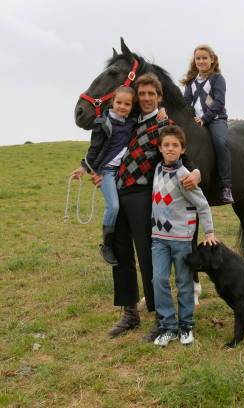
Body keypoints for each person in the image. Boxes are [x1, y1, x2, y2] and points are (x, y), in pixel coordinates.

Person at [96, 73, 202, 341]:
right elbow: (111, 148)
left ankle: (159, 316)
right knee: (121, 254)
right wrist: (98, 171)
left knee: (147, 257)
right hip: (120, 192)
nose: (145, 99)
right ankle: (129, 313)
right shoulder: (130, 122)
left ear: (159, 97)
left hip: (145, 196)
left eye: (150, 94)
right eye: (141, 94)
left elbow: (180, 152)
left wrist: (196, 172)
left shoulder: (164, 123)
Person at [150, 125, 218, 347]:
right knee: (159, 280)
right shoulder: (157, 169)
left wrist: (209, 232)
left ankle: (186, 325)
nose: (170, 149)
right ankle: (168, 326)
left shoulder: (184, 176)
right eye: (166, 145)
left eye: (175, 146)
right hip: (158, 238)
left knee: (184, 282)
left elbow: (203, 205)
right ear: (159, 148)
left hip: (181, 239)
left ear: (182, 149)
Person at [70, 86, 136, 265]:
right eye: (119, 102)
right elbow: (94, 148)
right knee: (113, 206)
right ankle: (106, 245)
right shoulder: (102, 123)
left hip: (123, 172)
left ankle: (121, 243)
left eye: (127, 104)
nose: (122, 107)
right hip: (106, 172)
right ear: (112, 102)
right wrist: (83, 167)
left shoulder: (132, 123)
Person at [182, 44, 233, 203]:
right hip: (195, 122)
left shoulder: (217, 78)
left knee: (220, 142)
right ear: (194, 61)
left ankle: (226, 186)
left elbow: (219, 102)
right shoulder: (191, 82)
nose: (201, 61)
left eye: (205, 58)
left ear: (212, 60)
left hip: (215, 120)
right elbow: (185, 104)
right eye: (198, 58)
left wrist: (205, 118)